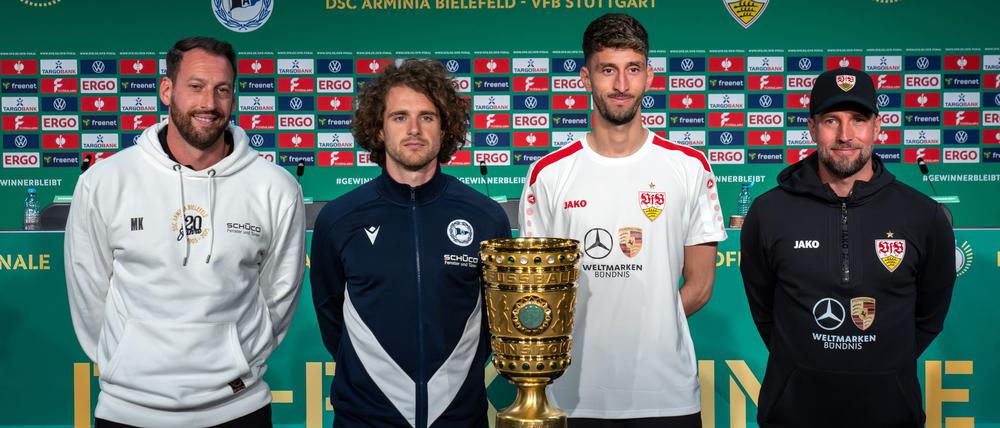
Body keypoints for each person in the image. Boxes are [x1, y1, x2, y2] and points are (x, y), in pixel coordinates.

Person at [65, 37, 306, 427]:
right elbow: (90, 295)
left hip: (238, 408)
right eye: (195, 87)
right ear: (167, 90)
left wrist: (239, 358)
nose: (209, 103)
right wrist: (128, 363)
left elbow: (279, 294)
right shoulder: (105, 182)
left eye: (222, 90)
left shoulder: (274, 187)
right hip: (127, 410)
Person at [519, 13, 727, 427]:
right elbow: (536, 290)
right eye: (607, 70)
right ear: (584, 77)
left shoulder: (688, 166)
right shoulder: (550, 173)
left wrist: (648, 326)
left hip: (666, 396)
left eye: (632, 69)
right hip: (571, 396)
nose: (620, 85)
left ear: (649, 76)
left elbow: (701, 285)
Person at [740, 67, 956, 427]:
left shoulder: (923, 215)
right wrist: (803, 366)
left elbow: (930, 317)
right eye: (830, 120)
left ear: (877, 126)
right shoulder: (768, 212)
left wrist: (880, 368)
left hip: (890, 414)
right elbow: (766, 313)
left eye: (858, 119)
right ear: (811, 127)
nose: (845, 135)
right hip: (793, 414)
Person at [310, 59, 511, 427]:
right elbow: (331, 319)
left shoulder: (486, 217)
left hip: (459, 418)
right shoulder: (339, 218)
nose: (414, 129)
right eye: (400, 116)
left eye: (428, 117)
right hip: (364, 419)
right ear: (379, 128)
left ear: (444, 127)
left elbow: (494, 323)